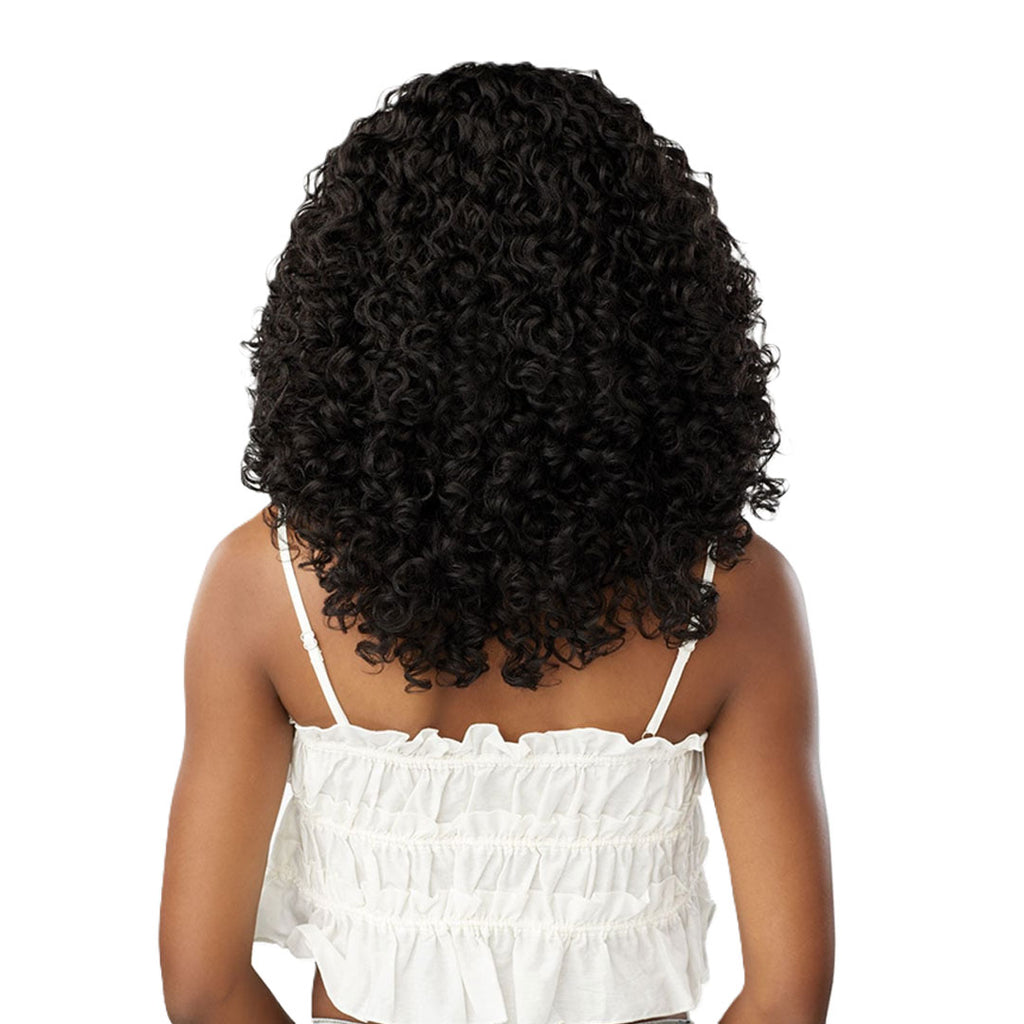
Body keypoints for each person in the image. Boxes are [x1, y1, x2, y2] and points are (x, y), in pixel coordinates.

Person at [159, 61, 834, 1024]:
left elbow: (204, 988)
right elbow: (789, 998)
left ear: (353, 313)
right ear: (656, 317)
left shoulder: (266, 585)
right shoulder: (726, 593)